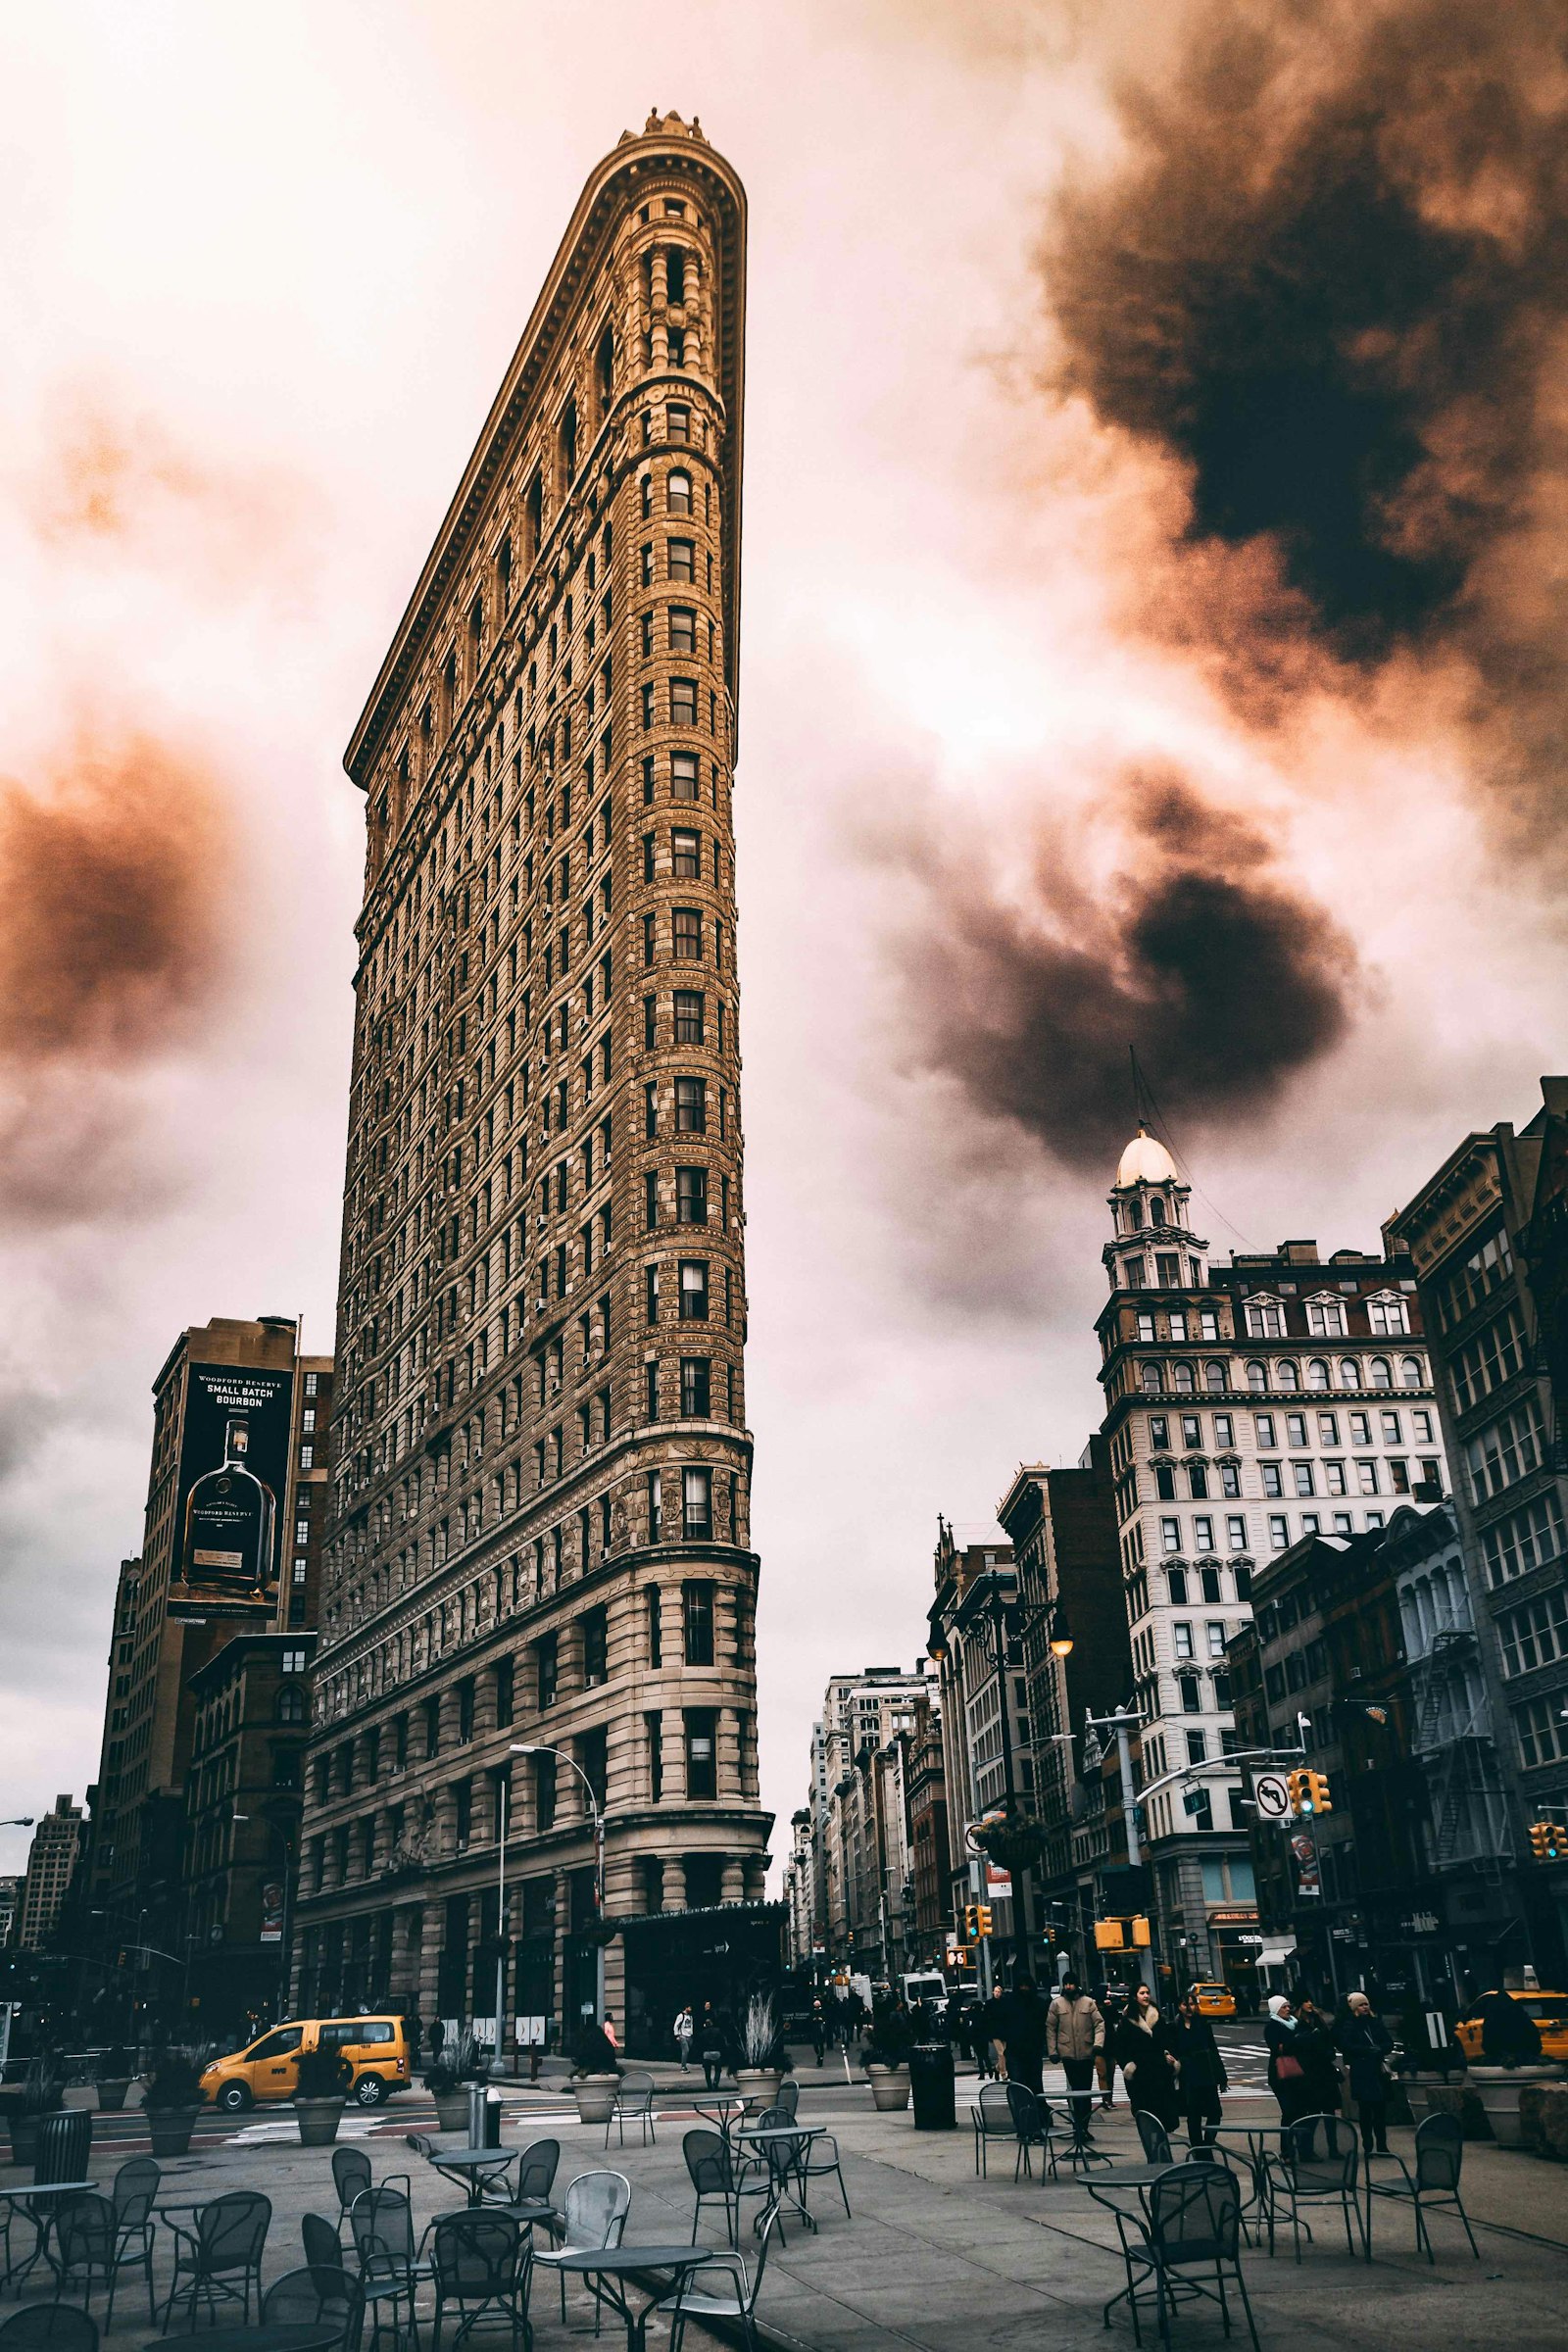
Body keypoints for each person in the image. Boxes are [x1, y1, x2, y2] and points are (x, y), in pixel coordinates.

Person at [1046, 1975, 1104, 2146]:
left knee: (1085, 2092)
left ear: (1077, 1985)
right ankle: (1079, 2127)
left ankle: (1083, 2127)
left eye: (1071, 1983)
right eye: (1066, 1984)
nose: (1068, 1986)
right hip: (1068, 2054)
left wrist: (1097, 2044)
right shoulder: (1057, 2004)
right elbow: (1050, 2028)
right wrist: (1053, 2051)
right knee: (1076, 2091)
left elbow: (1099, 2024)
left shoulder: (1088, 2003)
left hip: (1087, 2053)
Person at [1334, 1992, 1395, 2155]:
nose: (1365, 2007)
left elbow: (1389, 2042)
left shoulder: (1375, 2023)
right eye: (1361, 2005)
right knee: (1366, 2110)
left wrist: (1381, 2049)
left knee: (1380, 2110)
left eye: (1366, 2004)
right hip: (1361, 2070)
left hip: (1377, 2069)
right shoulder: (1350, 2025)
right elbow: (1346, 2045)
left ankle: (1382, 2145)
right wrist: (1366, 2050)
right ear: (1354, 2008)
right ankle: (1368, 2144)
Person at [1117, 1984, 1180, 2129]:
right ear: (1134, 1996)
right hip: (1140, 2072)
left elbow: (1167, 2040)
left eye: (1147, 1993)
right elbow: (1120, 2047)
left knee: (1164, 2114)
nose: (1146, 1996)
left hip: (1160, 2070)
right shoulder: (1127, 2020)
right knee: (1145, 2113)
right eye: (1142, 1993)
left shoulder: (1157, 2016)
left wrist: (1168, 2054)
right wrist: (1128, 2066)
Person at [1170, 1989, 1228, 2148]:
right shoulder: (1174, 2027)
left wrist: (1222, 2077)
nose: (1189, 2008)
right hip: (1188, 2075)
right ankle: (1198, 2148)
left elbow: (1213, 2050)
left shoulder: (1203, 2024)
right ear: (1178, 2006)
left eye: (1191, 2004)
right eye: (1185, 2004)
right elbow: (1171, 2049)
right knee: (1193, 2114)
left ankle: (1207, 2143)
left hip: (1206, 2072)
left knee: (1215, 2113)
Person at [1264, 1994, 1316, 2151]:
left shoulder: (1296, 2023)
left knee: (1304, 2112)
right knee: (1289, 2112)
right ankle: (1287, 2150)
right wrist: (1298, 2041)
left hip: (1300, 2074)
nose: (1288, 2009)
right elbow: (1278, 2048)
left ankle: (1305, 2149)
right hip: (1282, 2075)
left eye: (1288, 2006)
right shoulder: (1272, 2027)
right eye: (1283, 2007)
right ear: (1275, 2009)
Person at [1293, 1997, 1342, 2155]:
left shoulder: (1318, 2021)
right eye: (1305, 2001)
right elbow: (1299, 2048)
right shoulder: (1298, 2024)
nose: (1310, 2004)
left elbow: (1329, 2041)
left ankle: (1333, 2147)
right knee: (1312, 2114)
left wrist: (1329, 2052)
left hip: (1325, 2072)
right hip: (1311, 2075)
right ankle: (1307, 2149)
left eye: (1310, 2001)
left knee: (1329, 2114)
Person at [994, 1975, 1049, 2096]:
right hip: (1024, 2050)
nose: (1024, 1988)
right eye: (1022, 1986)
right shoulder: (1037, 2003)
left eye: (1026, 1986)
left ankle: (1027, 2111)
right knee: (1029, 2086)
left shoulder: (1010, 2002)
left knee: (1025, 2086)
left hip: (1024, 2050)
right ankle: (1034, 2111)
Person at [1464, 1986, 1544, 2066]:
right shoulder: (1520, 2016)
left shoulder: (1493, 2016)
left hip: (1500, 2056)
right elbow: (1534, 2039)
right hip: (1525, 2054)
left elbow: (1488, 2041)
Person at [1097, 1984, 1126, 2109]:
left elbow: (1115, 2018)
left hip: (1110, 2044)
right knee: (1102, 2073)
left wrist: (1110, 2007)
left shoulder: (1109, 2007)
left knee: (1110, 2073)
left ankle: (1110, 2098)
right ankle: (1105, 2099)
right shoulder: (1094, 2008)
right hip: (1100, 2045)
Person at [697, 2001, 725, 2090]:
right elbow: (722, 2042)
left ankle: (709, 2085)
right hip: (716, 2052)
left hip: (706, 2052)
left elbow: (700, 2044)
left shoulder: (703, 2033)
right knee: (718, 2069)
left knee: (707, 2071)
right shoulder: (718, 2031)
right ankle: (715, 2083)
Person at [673, 2005, 694, 2071]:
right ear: (686, 2008)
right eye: (689, 2008)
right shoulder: (681, 2016)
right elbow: (676, 2025)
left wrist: (691, 2033)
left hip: (689, 2035)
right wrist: (677, 2035)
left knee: (686, 2051)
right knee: (685, 2050)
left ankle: (684, 2064)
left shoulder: (690, 2016)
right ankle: (683, 2066)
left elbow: (691, 2025)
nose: (690, 2009)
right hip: (682, 2035)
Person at [809, 2000, 827, 2066]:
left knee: (821, 2045)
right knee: (815, 2046)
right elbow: (810, 2019)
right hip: (815, 2030)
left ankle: (821, 2058)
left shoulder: (822, 2011)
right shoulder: (812, 2012)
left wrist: (821, 2019)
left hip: (820, 2030)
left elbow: (825, 2018)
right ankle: (818, 2055)